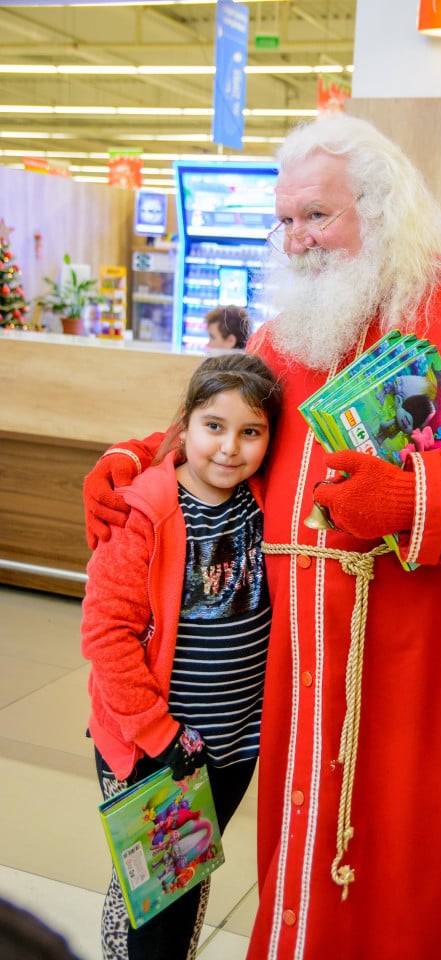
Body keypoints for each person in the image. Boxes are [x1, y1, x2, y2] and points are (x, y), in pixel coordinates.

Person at [83, 114, 441, 960]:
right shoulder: (284, 339)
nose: (298, 239)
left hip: (410, 671)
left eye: (317, 215)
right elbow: (222, 430)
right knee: (244, 864)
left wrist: (413, 495)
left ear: (380, 211)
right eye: (285, 220)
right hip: (280, 684)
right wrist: (139, 460)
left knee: (397, 875)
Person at [81, 352, 281, 960]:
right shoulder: (146, 512)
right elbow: (106, 634)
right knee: (160, 909)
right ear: (185, 426)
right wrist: (158, 734)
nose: (229, 448)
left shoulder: (262, 500)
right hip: (160, 749)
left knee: (183, 886)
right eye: (213, 427)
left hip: (235, 742)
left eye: (251, 432)